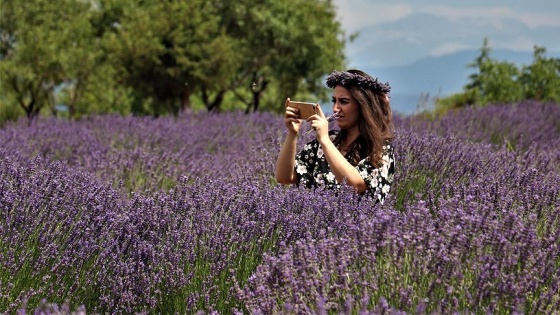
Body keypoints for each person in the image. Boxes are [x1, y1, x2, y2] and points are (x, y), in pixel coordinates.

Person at [275, 69, 395, 204]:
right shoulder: (328, 142)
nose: (335, 108)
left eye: (343, 101)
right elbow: (284, 177)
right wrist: (292, 134)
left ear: (363, 106)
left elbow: (356, 184)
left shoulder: (380, 149)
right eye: (334, 101)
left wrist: (325, 140)